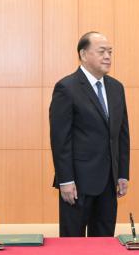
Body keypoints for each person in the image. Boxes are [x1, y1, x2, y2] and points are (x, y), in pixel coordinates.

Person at [49, 32, 130, 237]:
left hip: (108, 183)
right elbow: (61, 140)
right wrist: (65, 180)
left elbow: (122, 134)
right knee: (73, 245)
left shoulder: (116, 88)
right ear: (83, 55)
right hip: (77, 183)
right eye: (102, 51)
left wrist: (122, 173)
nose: (108, 57)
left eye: (110, 52)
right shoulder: (66, 88)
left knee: (104, 243)